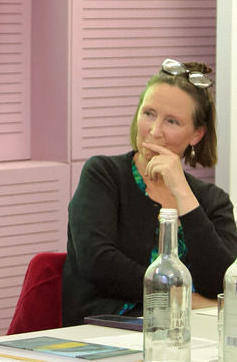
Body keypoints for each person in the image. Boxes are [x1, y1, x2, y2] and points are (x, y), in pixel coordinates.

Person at [62, 58, 237, 326]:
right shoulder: (103, 174)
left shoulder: (213, 200)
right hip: (105, 329)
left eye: (172, 121)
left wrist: (182, 191)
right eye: (149, 114)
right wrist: (181, 298)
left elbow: (222, 283)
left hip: (191, 332)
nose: (155, 131)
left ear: (197, 135)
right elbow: (97, 262)